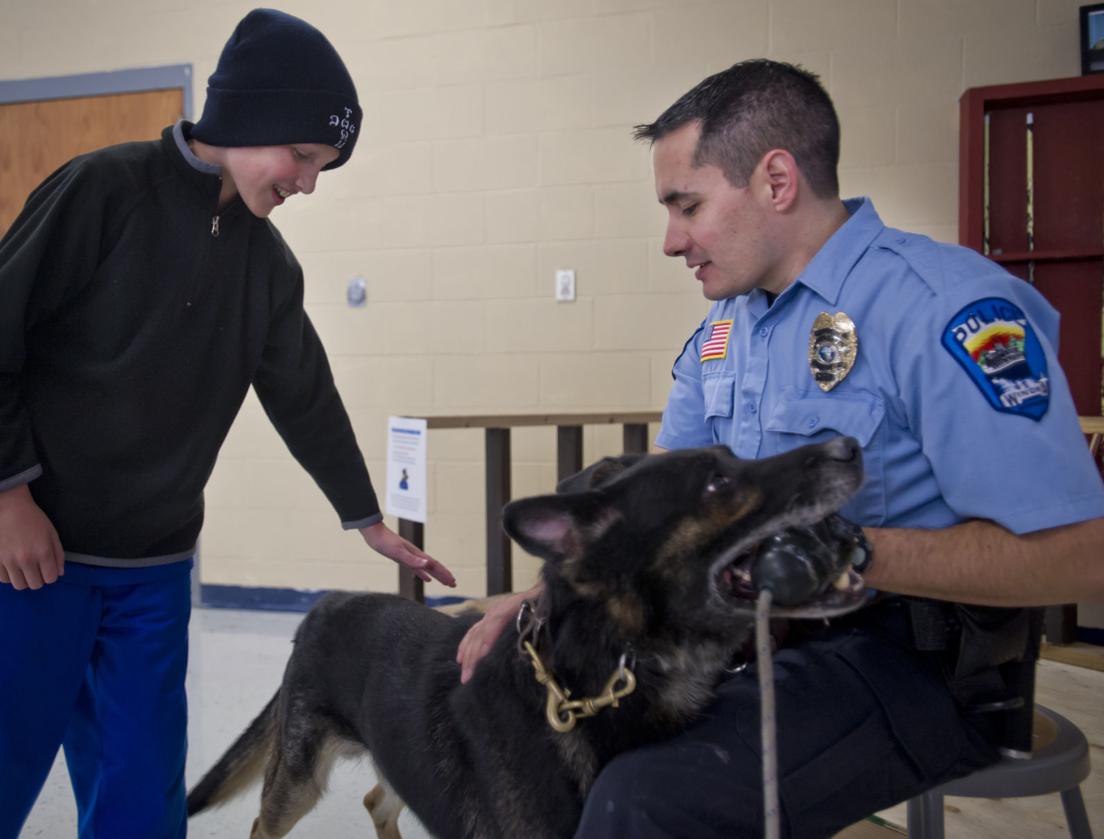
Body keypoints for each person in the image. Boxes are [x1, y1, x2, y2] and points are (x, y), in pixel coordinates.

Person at [457, 59, 1104, 837]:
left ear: (776, 180)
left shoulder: (944, 310)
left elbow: (1080, 555)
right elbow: (654, 529)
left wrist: (851, 555)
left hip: (922, 666)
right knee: (544, 733)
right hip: (760, 632)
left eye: (686, 205)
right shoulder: (722, 336)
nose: (671, 241)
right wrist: (530, 607)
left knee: (645, 800)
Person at [0, 9, 455, 838]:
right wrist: (8, 500)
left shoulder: (268, 266)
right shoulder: (102, 190)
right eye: (303, 156)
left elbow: (302, 392)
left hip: (150, 566)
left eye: (324, 168)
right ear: (247, 116)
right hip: (25, 551)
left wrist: (366, 516)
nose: (308, 182)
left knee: (140, 788)